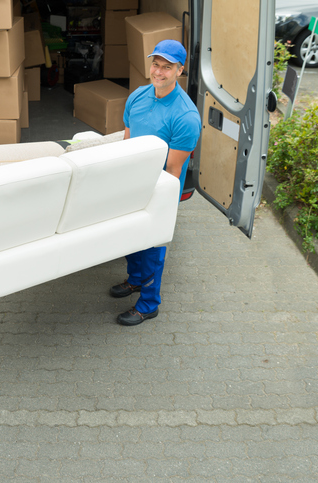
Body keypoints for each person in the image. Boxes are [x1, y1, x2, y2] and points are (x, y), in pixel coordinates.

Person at [111, 40, 202, 326]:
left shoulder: (186, 117)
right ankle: (136, 280)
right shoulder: (137, 97)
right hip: (132, 183)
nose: (159, 72)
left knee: (152, 246)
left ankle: (149, 304)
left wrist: (153, 203)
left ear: (179, 70)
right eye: (156, 64)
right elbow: (127, 143)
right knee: (130, 237)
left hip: (159, 189)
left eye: (167, 67)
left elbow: (173, 171)